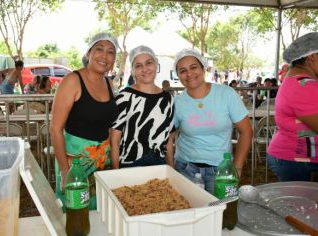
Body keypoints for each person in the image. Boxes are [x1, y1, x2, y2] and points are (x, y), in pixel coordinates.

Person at [167, 48, 253, 194]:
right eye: (182, 71)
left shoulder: (226, 94)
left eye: (193, 67)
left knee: (219, 212)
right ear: (178, 76)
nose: (189, 74)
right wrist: (170, 168)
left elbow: (246, 131)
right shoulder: (177, 102)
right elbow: (169, 136)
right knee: (190, 213)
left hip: (221, 170)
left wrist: (237, 167)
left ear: (203, 68)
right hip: (186, 169)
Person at [50, 32, 118, 210]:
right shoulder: (72, 81)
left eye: (111, 52)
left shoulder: (110, 84)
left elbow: (110, 127)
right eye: (99, 49)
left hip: (101, 160)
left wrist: (112, 161)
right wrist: (65, 171)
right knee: (76, 211)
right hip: (75, 163)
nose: (104, 55)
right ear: (89, 53)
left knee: (99, 210)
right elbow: (55, 129)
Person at [110, 45, 175, 169]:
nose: (144, 69)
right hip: (130, 165)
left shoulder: (168, 99)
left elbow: (169, 141)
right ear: (133, 70)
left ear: (156, 65)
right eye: (138, 66)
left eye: (148, 63)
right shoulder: (125, 97)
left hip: (159, 165)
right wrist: (115, 174)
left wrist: (172, 171)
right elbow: (114, 141)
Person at [267, 32, 318, 181]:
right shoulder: (303, 85)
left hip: (298, 158)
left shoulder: (298, 81)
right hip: (297, 160)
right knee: (301, 203)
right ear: (312, 56)